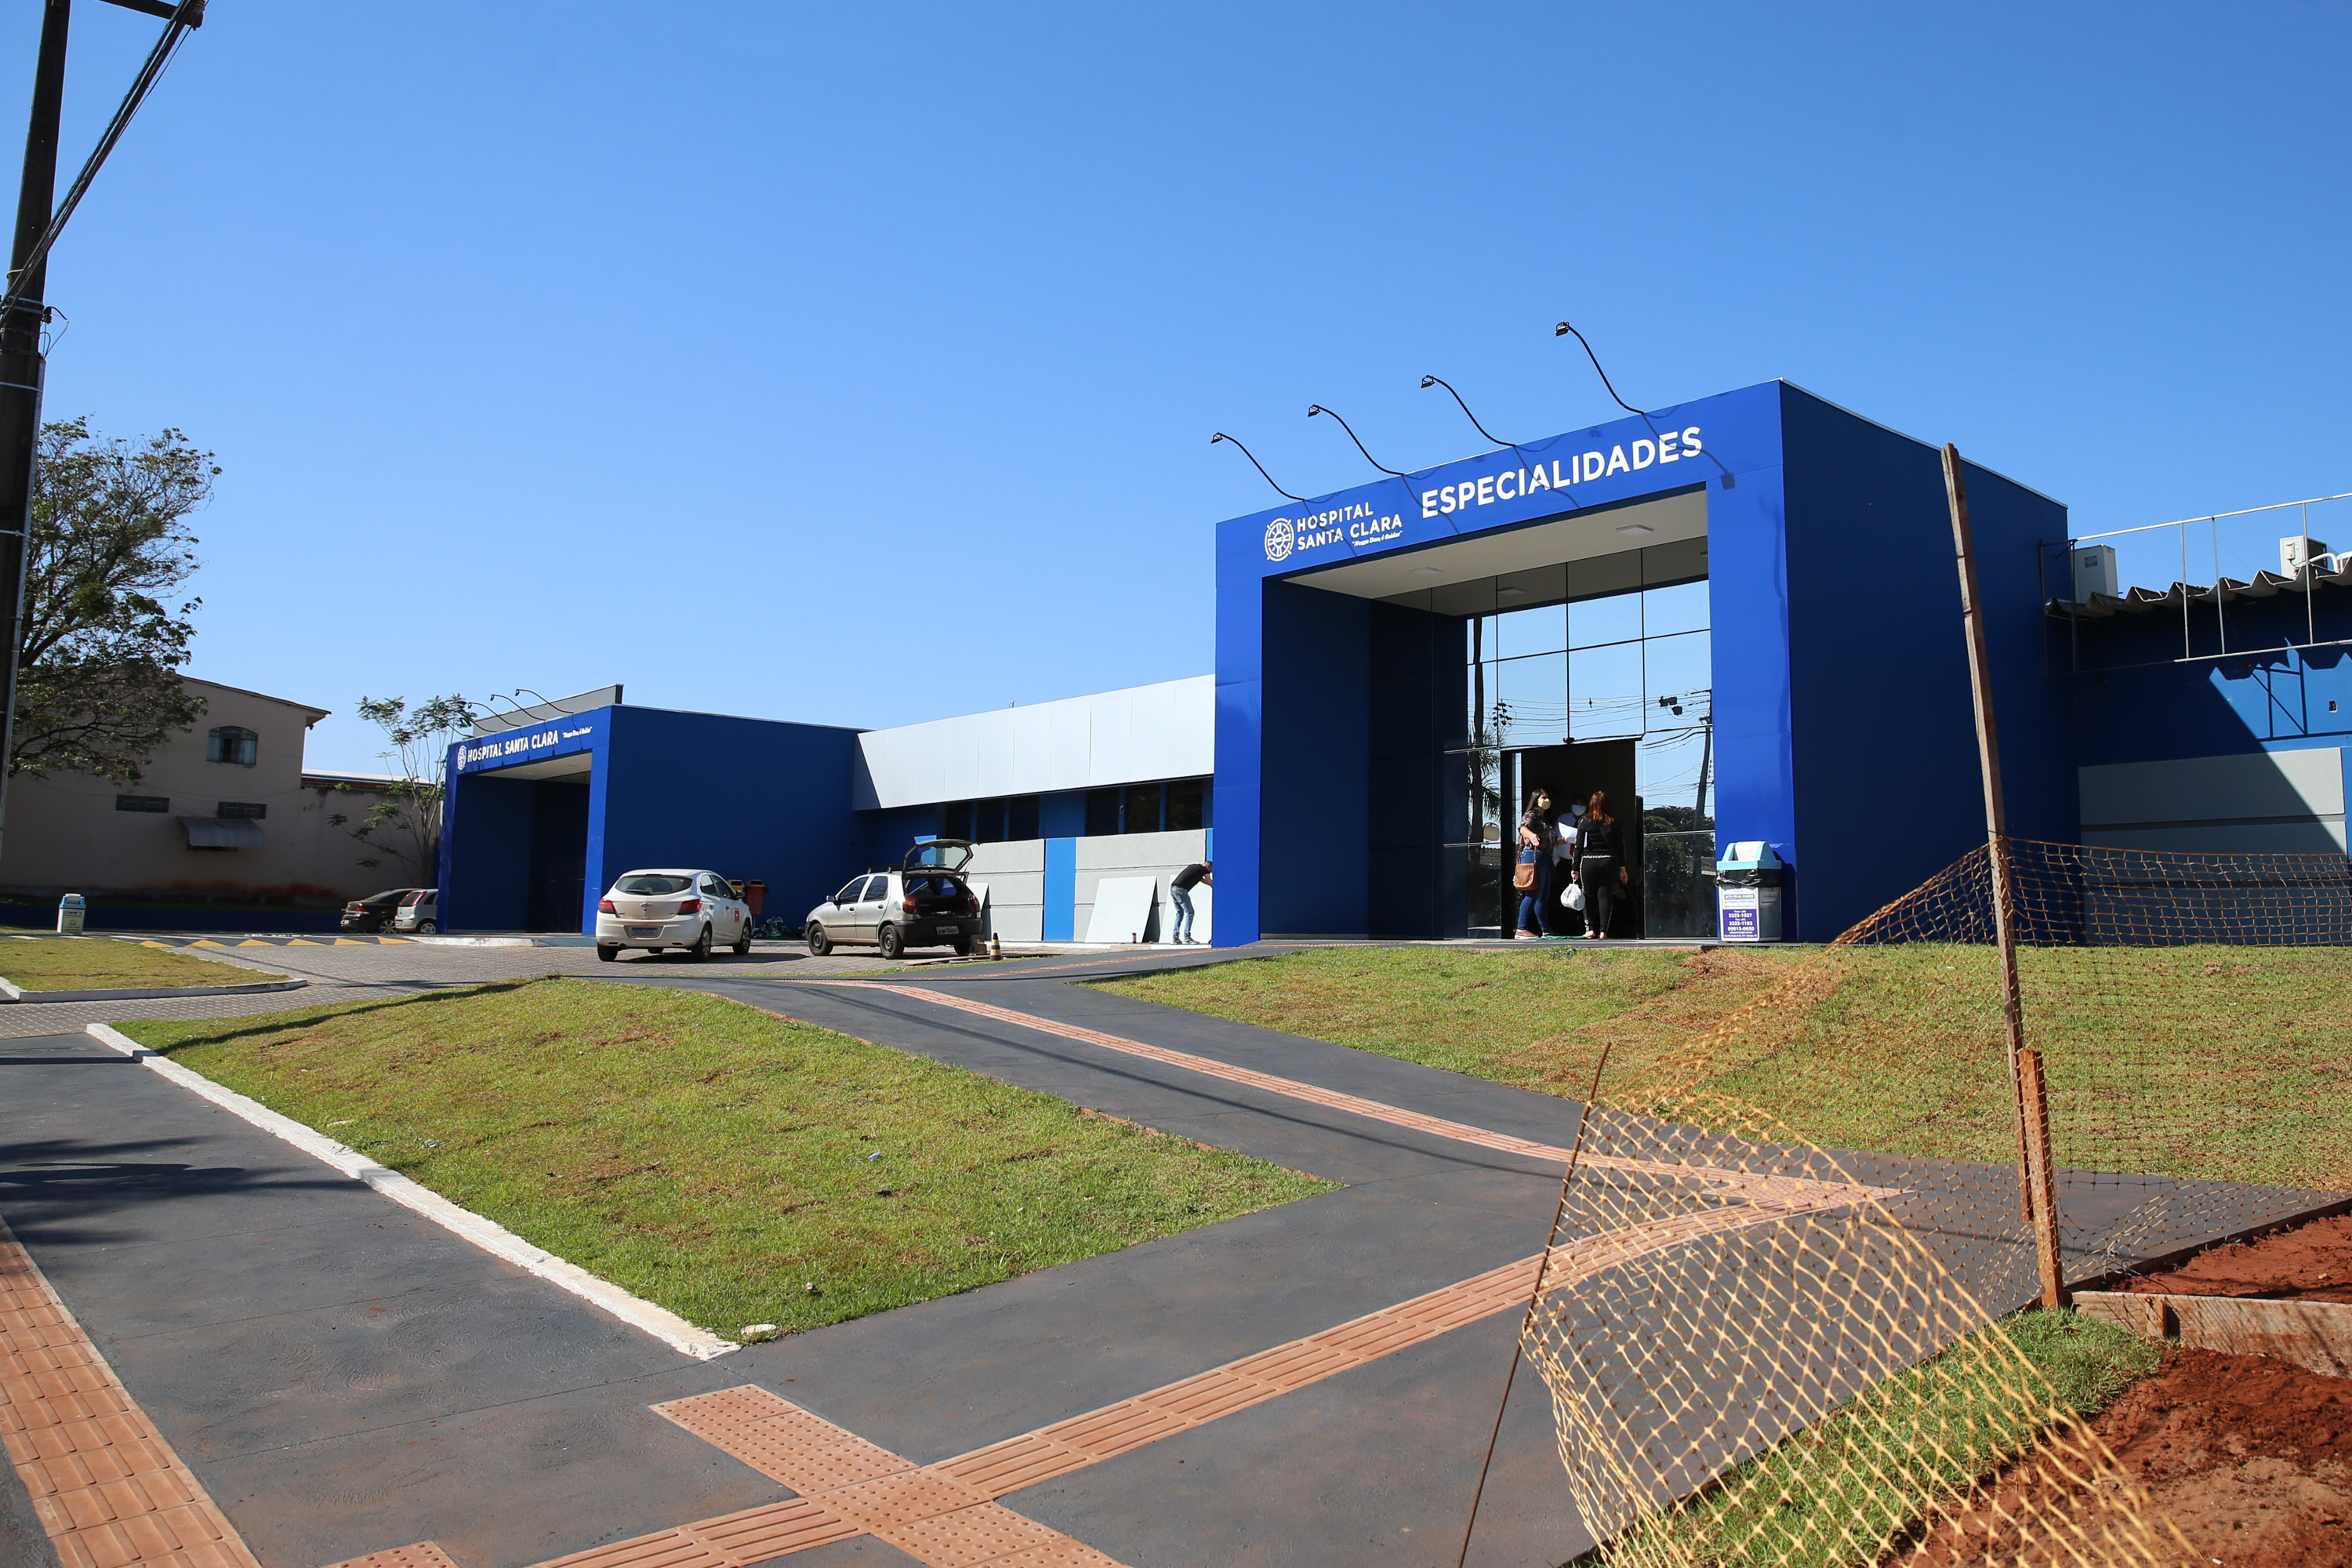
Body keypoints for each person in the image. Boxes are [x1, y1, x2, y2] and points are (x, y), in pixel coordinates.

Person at [1576, 790, 1629, 939]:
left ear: (1591, 804)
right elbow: (1620, 847)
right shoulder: (1614, 823)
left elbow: (1579, 846)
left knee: (1588, 895)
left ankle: (1591, 928)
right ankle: (1603, 931)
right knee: (1605, 896)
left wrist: (1575, 868)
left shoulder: (1585, 822)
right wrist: (1622, 867)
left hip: (1589, 861)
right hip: (1608, 861)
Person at [1515, 788, 1559, 939]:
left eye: (1548, 797)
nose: (1546, 800)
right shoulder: (1532, 814)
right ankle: (1521, 929)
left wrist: (1559, 842)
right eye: (1543, 797)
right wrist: (1532, 836)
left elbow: (1546, 840)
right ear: (1536, 799)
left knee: (1542, 895)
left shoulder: (1544, 818)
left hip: (1544, 857)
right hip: (1534, 856)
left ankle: (1546, 930)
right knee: (1533, 892)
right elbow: (1523, 828)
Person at [1170, 859, 1211, 943]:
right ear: (1208, 866)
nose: (1210, 872)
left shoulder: (1194, 868)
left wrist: (1211, 885)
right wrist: (1217, 886)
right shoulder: (1203, 870)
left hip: (1174, 888)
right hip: (1181, 890)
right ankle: (1187, 937)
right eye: (1210, 870)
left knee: (1179, 913)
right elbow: (1209, 880)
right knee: (1190, 913)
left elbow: (1203, 881)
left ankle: (1175, 937)